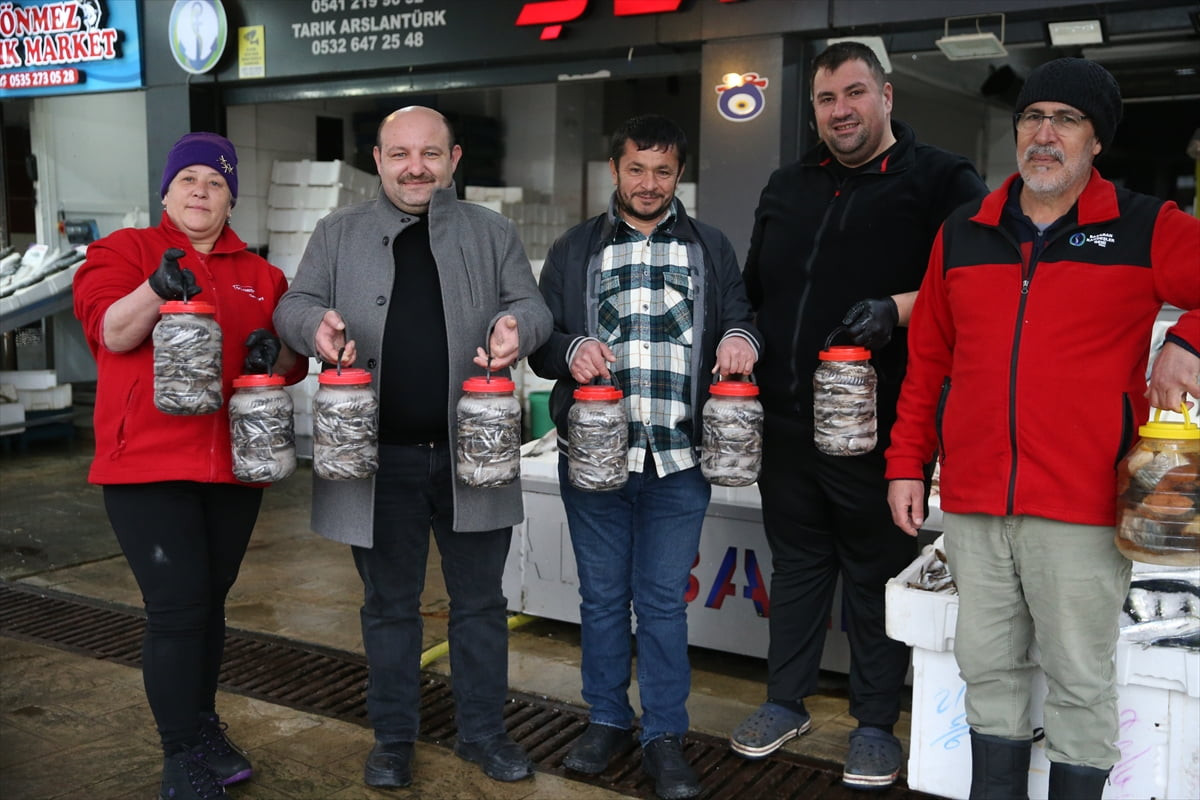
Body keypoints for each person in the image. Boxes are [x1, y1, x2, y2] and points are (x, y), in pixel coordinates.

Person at [885, 57, 1200, 799]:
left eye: (1066, 120)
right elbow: (927, 359)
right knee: (987, 671)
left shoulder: (1147, 225)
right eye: (1033, 117)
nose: (1044, 134)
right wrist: (907, 463)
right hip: (974, 500)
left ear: (1097, 142)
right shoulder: (965, 230)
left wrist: (1188, 340)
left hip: (1083, 504)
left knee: (1080, 683)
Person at [731, 41, 988, 789]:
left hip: (882, 427)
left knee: (878, 571)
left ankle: (876, 723)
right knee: (801, 564)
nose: (839, 111)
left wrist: (898, 310)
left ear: (886, 95)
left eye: (853, 93)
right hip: (786, 421)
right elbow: (756, 290)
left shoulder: (941, 180)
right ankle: (787, 700)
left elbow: (976, 283)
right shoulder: (787, 184)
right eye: (824, 100)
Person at [272, 106, 552, 790]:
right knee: (389, 607)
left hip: (474, 453)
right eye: (401, 154)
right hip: (376, 459)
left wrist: (521, 325)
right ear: (378, 159)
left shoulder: (492, 232)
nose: (416, 166)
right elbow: (292, 304)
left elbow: (536, 307)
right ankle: (394, 738)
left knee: (481, 603)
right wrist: (317, 325)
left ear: (454, 159)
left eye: (430, 153)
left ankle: (483, 733)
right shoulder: (340, 231)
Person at [529, 114, 761, 800]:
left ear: (678, 175)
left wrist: (743, 336)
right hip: (596, 459)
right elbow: (544, 339)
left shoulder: (709, 247)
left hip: (678, 460)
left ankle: (663, 733)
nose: (649, 184)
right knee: (601, 600)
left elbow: (743, 312)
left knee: (661, 603)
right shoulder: (576, 249)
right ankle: (606, 718)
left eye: (663, 171)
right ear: (614, 171)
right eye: (637, 169)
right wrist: (570, 349)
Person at [72, 132, 307, 800]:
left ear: (232, 195)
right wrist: (156, 285)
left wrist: (276, 359)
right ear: (167, 190)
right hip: (145, 467)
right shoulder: (123, 253)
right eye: (189, 180)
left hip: (232, 471)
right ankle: (180, 755)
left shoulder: (261, 276)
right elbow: (113, 331)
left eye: (215, 181)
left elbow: (291, 364)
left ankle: (201, 726)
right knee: (176, 609)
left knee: (208, 607)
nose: (201, 191)